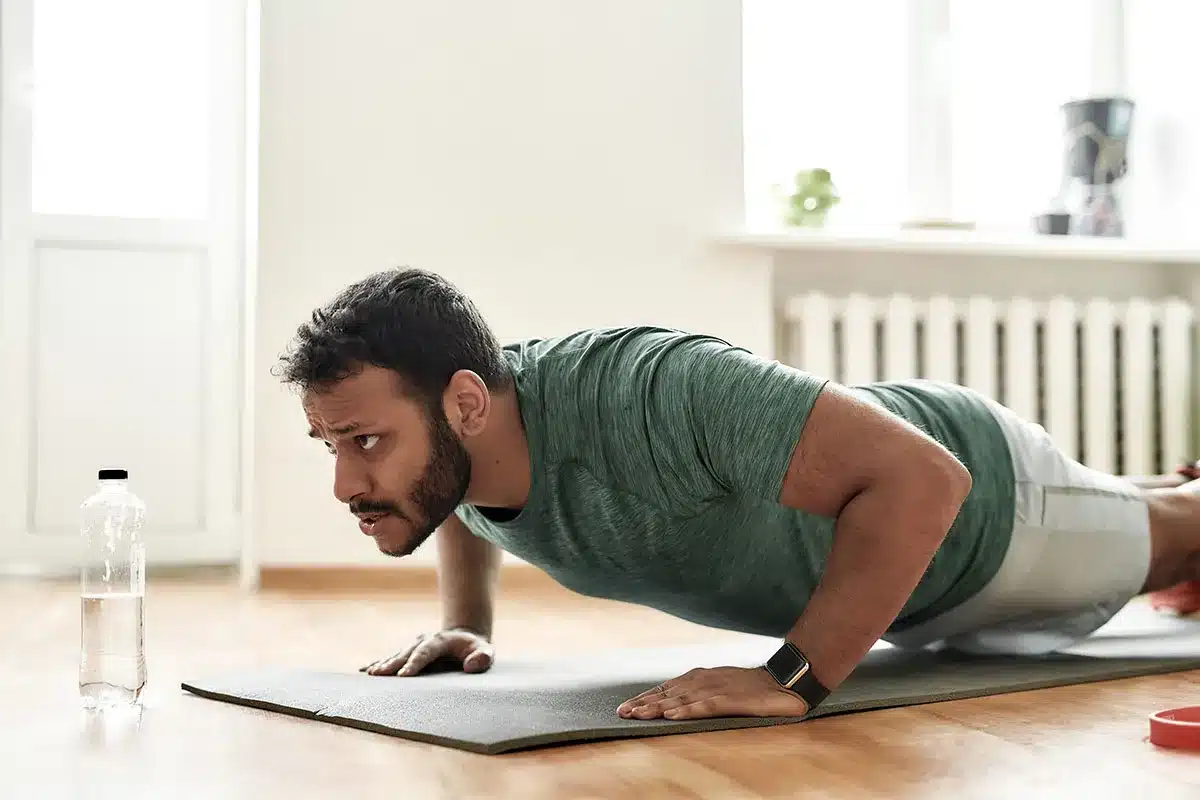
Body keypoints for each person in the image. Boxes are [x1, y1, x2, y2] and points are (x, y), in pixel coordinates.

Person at [277, 267, 1200, 722]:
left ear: (466, 403)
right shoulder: (466, 433)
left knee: (1178, 539)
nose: (346, 483)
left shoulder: (653, 391)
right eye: (331, 444)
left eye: (365, 443)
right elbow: (455, 492)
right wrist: (470, 619)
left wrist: (789, 679)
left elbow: (926, 479)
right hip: (911, 590)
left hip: (988, 511)